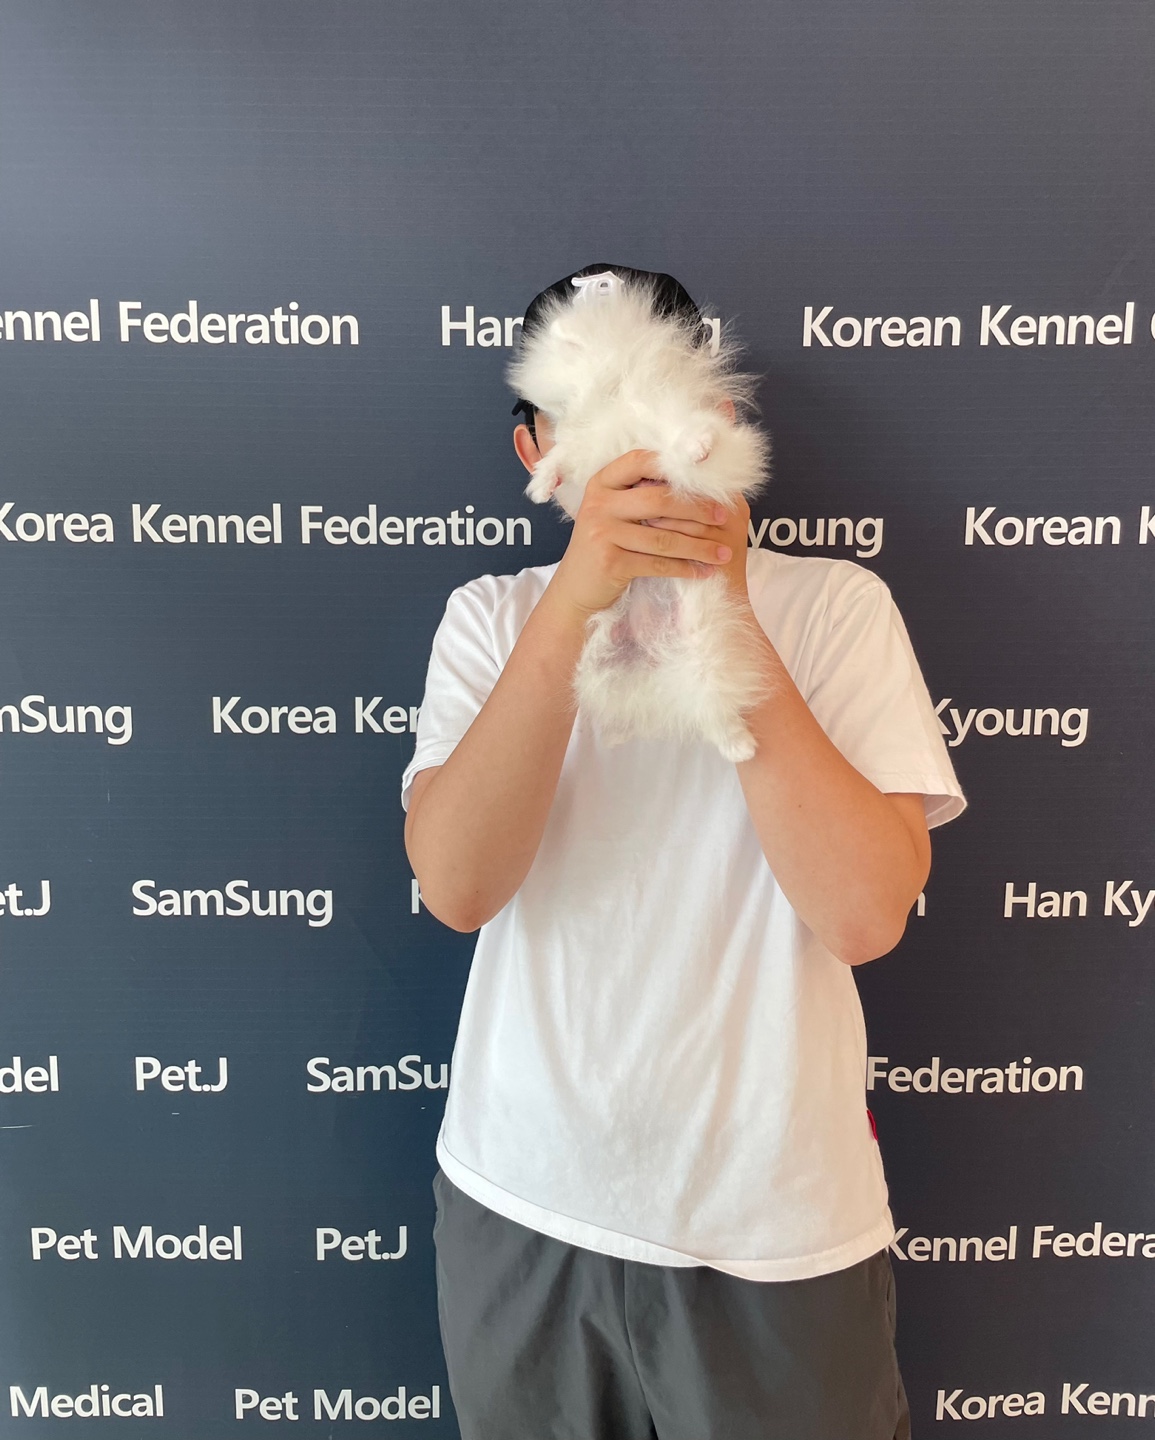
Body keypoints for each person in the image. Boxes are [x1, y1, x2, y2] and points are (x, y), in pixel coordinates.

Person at [401, 263, 966, 1440]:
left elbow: (866, 915)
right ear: (536, 451)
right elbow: (456, 887)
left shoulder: (837, 610)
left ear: (719, 414)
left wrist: (721, 605)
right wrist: (574, 604)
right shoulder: (491, 619)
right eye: (590, 412)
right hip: (523, 1197)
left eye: (658, 397)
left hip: (776, 1220)